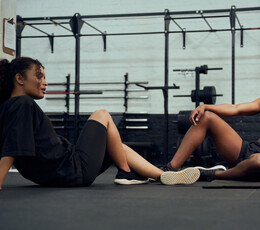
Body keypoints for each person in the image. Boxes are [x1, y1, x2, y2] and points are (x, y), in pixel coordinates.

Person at [0, 57, 200, 190]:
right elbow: (12, 147)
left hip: (61, 172)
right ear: (20, 78)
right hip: (71, 169)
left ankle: (163, 175)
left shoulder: (7, 107)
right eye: (39, 75)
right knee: (102, 114)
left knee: (116, 146)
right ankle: (126, 173)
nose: (45, 81)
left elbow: (10, 145)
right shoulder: (23, 104)